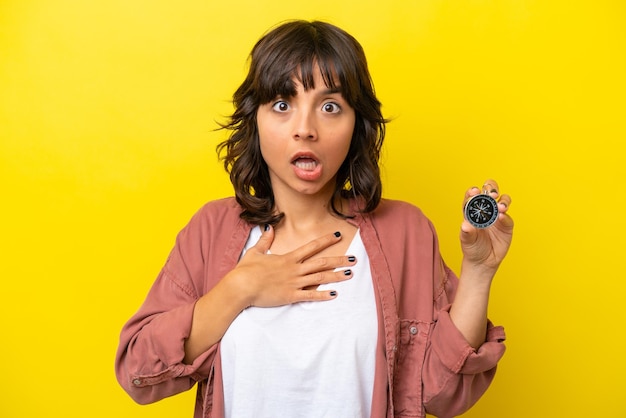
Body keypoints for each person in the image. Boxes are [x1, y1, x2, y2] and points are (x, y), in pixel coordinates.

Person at [115, 20, 514, 418]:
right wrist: (240, 288)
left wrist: (478, 271)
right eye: (283, 105)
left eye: (329, 107)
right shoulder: (211, 230)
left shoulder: (405, 232)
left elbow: (444, 395)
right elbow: (139, 371)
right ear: (255, 119)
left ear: (356, 123)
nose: (305, 129)